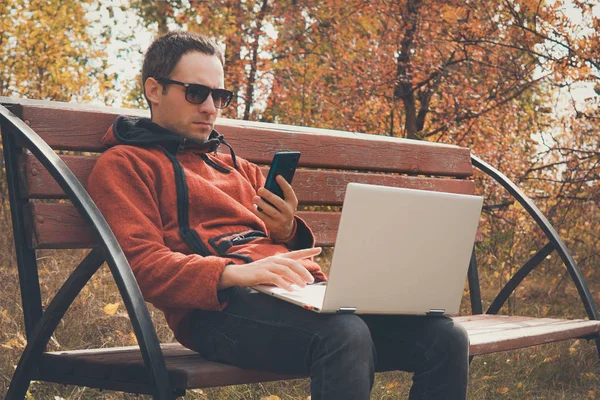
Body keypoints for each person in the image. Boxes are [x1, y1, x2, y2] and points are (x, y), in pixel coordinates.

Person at [88, 31, 469, 399]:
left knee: (445, 337)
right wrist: (230, 273)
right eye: (196, 93)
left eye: (220, 96)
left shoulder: (237, 167)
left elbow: (281, 243)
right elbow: (142, 267)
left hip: (297, 297)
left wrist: (285, 228)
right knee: (344, 334)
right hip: (214, 313)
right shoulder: (125, 165)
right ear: (154, 90)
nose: (210, 108)